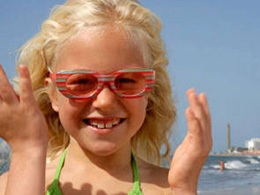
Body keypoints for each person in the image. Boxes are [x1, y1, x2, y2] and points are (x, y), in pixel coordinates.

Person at [0, 0, 212, 194]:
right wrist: (27, 151)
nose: (105, 101)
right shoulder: (14, 184)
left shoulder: (169, 188)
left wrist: (184, 188)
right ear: (54, 94)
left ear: (148, 91)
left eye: (127, 81)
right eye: (82, 82)